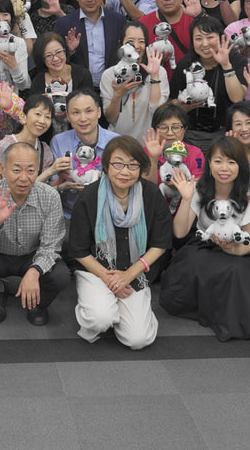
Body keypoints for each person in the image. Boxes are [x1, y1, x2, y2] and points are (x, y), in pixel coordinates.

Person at [66, 136, 174, 349]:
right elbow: (78, 250)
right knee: (100, 319)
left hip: (136, 270)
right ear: (106, 165)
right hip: (96, 270)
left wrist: (127, 276)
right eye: (118, 164)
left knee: (138, 340)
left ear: (141, 168)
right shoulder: (89, 196)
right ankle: (101, 306)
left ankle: (123, 309)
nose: (125, 171)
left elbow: (160, 243)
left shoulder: (151, 194)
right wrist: (109, 280)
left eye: (132, 165)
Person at [159, 137, 250, 341]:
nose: (224, 168)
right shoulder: (199, 189)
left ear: (240, 166)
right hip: (205, 244)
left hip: (238, 249)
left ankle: (226, 317)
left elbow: (248, 245)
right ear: (209, 163)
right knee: (193, 264)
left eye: (231, 162)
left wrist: (229, 248)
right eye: (218, 161)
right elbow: (180, 232)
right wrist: (186, 199)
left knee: (234, 271)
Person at [0, 141, 70, 326]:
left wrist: (35, 271)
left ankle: (39, 306)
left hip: (32, 253)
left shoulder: (49, 196)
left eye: (31, 170)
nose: (24, 178)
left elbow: (51, 245)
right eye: (16, 170)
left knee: (61, 276)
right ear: (2, 169)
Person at [171, 15, 248, 151]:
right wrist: (184, 107)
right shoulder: (186, 64)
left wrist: (226, 65)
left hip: (226, 134)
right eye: (198, 39)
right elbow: (172, 102)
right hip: (189, 135)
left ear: (221, 37)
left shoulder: (236, 60)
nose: (205, 44)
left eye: (210, 37)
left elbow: (237, 98)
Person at [49, 88, 120, 217]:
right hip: (69, 214)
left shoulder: (116, 141)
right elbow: (53, 186)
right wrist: (62, 177)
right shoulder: (59, 141)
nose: (83, 118)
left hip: (108, 213)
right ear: (68, 116)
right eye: (76, 112)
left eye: (89, 111)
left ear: (98, 112)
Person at [55, 0, 126, 85]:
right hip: (77, 87)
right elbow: (55, 60)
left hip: (112, 86)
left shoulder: (118, 21)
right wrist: (70, 51)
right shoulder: (64, 24)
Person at [100, 22, 167, 141]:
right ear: (121, 43)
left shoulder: (159, 72)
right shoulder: (110, 74)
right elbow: (111, 118)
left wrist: (154, 76)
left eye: (141, 41)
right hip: (118, 141)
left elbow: (157, 111)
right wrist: (118, 94)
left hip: (149, 142)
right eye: (130, 41)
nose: (136, 46)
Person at [139, 0, 203, 89]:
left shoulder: (196, 19)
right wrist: (153, 61)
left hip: (193, 89)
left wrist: (199, 16)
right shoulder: (142, 25)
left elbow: (214, 46)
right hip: (154, 89)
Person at [144, 104, 207, 216]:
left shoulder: (195, 153)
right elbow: (146, 188)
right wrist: (153, 159)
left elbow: (198, 185)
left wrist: (181, 184)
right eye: (163, 127)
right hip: (152, 210)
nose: (170, 133)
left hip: (185, 210)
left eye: (176, 127)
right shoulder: (145, 152)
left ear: (185, 129)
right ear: (155, 129)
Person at [29, 32, 93, 134]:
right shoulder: (38, 81)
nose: (55, 58)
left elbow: (90, 107)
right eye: (49, 55)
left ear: (65, 51)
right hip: (47, 135)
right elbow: (34, 114)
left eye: (59, 52)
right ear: (42, 59)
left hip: (80, 133)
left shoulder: (82, 74)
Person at [0, 94, 58, 183]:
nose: (42, 121)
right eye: (38, 114)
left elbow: (43, 187)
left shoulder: (45, 150)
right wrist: (49, 172)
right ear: (23, 117)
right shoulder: (5, 146)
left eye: (47, 117)